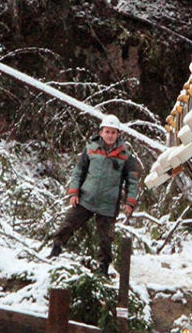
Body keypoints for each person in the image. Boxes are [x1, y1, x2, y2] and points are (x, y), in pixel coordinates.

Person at [49, 114, 139, 275]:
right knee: (68, 224)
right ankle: (55, 250)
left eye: (113, 132)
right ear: (101, 132)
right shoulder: (91, 149)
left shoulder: (126, 156)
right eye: (107, 132)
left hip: (108, 204)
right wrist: (74, 193)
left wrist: (129, 202)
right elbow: (78, 172)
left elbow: (132, 181)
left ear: (118, 134)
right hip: (86, 198)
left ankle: (103, 268)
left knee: (106, 239)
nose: (110, 135)